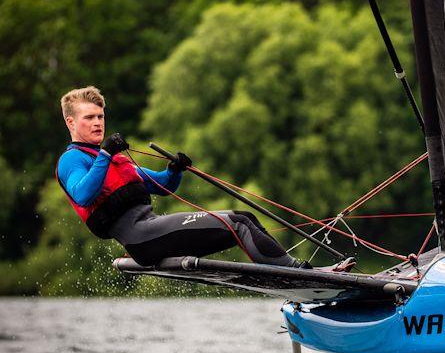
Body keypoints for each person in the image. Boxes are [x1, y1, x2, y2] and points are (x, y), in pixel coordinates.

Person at [55, 85, 320, 269]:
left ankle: (298, 272)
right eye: (89, 117)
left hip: (151, 230)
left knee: (246, 219)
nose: (98, 122)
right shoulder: (73, 160)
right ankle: (300, 273)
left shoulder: (115, 160)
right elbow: (82, 193)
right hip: (141, 239)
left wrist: (174, 170)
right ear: (70, 122)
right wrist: (105, 154)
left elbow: (163, 185)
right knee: (237, 222)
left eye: (100, 116)